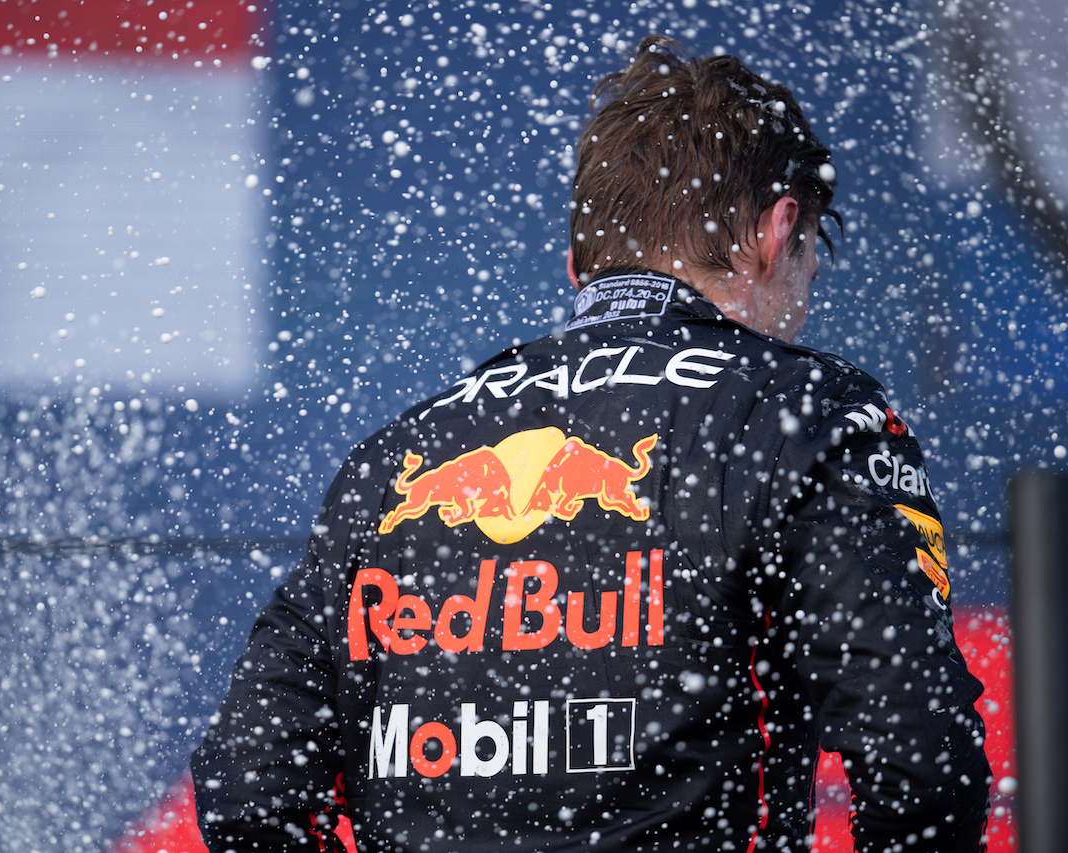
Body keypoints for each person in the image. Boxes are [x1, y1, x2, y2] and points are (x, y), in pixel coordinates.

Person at [190, 35, 991, 853]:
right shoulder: (806, 414)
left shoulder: (398, 456)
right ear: (775, 233)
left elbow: (250, 783)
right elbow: (920, 759)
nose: (800, 311)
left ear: (580, 266)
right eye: (810, 272)